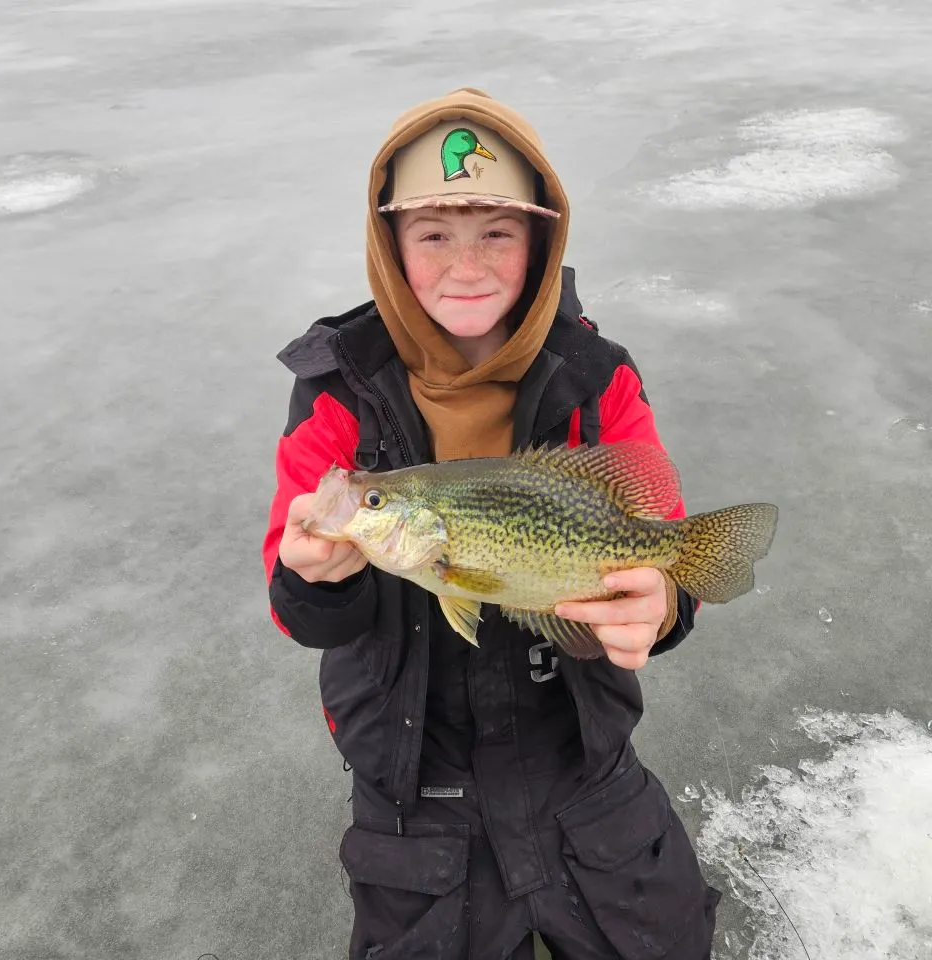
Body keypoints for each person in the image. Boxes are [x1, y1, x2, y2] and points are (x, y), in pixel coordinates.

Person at [262, 87, 720, 960]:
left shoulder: (598, 377)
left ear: (542, 244)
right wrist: (311, 576)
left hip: (584, 768)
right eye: (433, 234)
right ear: (389, 246)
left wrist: (660, 601)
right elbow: (297, 606)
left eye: (497, 234)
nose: (465, 265)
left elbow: (662, 542)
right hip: (410, 787)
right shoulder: (335, 390)